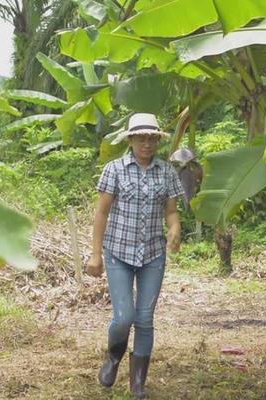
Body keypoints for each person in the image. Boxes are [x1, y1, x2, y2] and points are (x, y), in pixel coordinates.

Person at [85, 113, 184, 399]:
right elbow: (101, 212)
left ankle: (138, 383)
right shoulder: (114, 170)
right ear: (130, 139)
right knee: (124, 316)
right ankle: (114, 357)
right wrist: (95, 254)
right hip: (118, 253)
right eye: (141, 138)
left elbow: (171, 211)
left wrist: (175, 228)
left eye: (152, 138)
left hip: (152, 254)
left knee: (144, 318)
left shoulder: (166, 172)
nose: (147, 144)